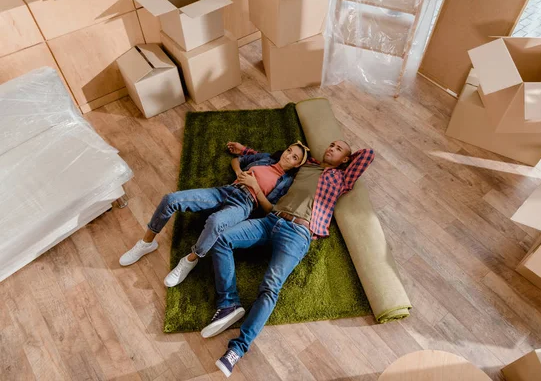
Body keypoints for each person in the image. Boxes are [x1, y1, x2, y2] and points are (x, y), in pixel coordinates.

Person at [204, 140, 375, 378]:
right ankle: (228, 303)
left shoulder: (342, 179)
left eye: (338, 148)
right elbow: (279, 158)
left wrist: (344, 159)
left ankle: (237, 349)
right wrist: (245, 151)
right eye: (331, 144)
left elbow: (368, 154)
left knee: (270, 288)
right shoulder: (307, 166)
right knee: (222, 239)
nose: (331, 147)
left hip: (298, 234)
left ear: (346, 160)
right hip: (270, 220)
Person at [119, 141, 310, 288]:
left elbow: (270, 209)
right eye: (289, 151)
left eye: (294, 157)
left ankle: (189, 261)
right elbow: (237, 160)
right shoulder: (266, 158)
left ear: (296, 165)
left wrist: (255, 187)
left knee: (216, 221)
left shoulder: (286, 182)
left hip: (244, 204)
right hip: (226, 190)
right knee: (171, 199)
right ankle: (146, 243)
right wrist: (239, 173)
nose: (289, 156)